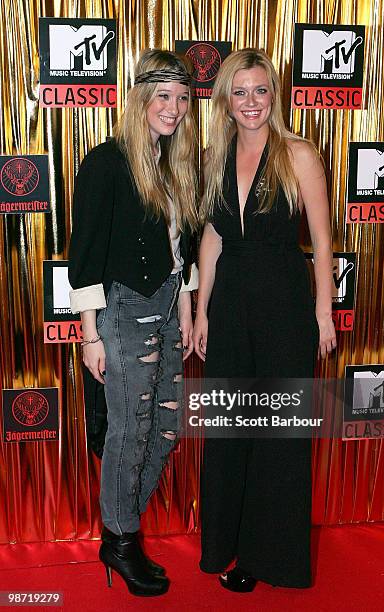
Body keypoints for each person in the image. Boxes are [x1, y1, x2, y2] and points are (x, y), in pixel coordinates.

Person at [193, 48, 336, 592]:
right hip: (230, 306)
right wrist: (203, 308)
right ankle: (225, 547)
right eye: (240, 91)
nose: (251, 102)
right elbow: (213, 235)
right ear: (225, 99)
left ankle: (268, 558)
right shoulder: (214, 157)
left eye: (261, 90)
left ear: (273, 95)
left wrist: (322, 314)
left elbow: (321, 241)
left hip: (283, 305)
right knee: (231, 431)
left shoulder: (297, 153)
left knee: (279, 434)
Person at [68, 49, 198, 597]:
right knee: (128, 430)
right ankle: (121, 541)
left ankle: (118, 529)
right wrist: (90, 334)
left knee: (164, 430)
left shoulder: (175, 161)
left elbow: (180, 248)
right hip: (122, 310)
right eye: (163, 96)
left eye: (182, 99)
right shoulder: (106, 161)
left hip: (169, 305)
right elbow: (85, 252)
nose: (173, 108)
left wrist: (187, 307)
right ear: (141, 96)